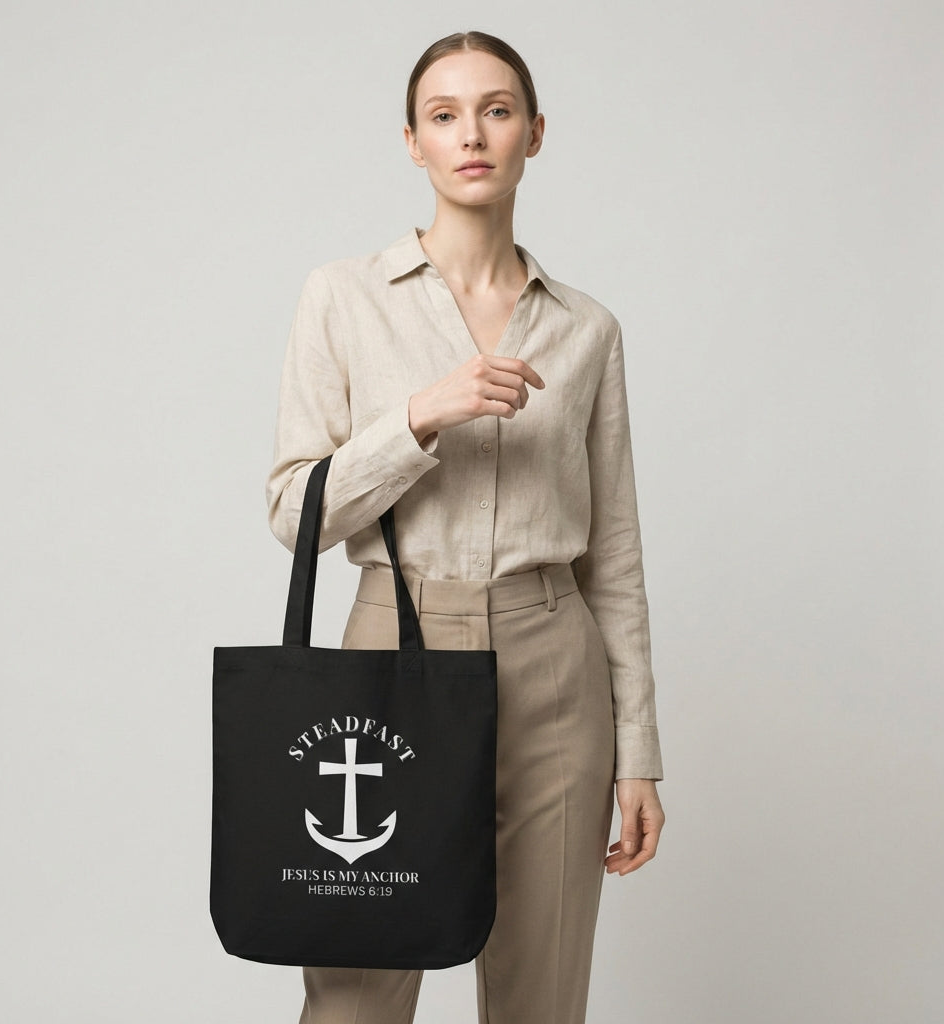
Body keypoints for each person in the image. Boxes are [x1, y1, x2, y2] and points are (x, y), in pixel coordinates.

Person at [266, 30, 665, 1024]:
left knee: (541, 991)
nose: (471, 134)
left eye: (495, 110)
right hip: (392, 651)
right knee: (356, 988)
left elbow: (611, 553)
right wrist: (415, 419)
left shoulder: (585, 330)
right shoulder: (343, 297)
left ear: (534, 133)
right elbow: (292, 507)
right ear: (411, 142)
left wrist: (639, 750)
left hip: (555, 667)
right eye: (444, 115)